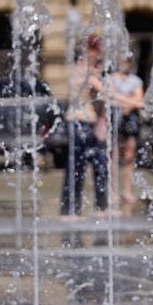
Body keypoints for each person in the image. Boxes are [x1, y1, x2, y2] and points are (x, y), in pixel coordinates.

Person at [61, 35, 108, 220]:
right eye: (98, 51)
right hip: (80, 122)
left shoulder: (79, 69)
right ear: (90, 51)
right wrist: (134, 101)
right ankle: (70, 211)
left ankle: (97, 208)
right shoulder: (85, 70)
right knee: (77, 167)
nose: (100, 54)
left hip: (82, 123)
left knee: (97, 164)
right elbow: (105, 92)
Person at [106, 56, 144, 205]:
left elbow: (139, 101)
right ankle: (113, 192)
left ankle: (127, 192)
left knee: (129, 158)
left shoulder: (136, 80)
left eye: (128, 60)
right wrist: (129, 99)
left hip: (131, 122)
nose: (125, 63)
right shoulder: (110, 79)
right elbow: (108, 97)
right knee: (114, 158)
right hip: (114, 121)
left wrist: (120, 99)